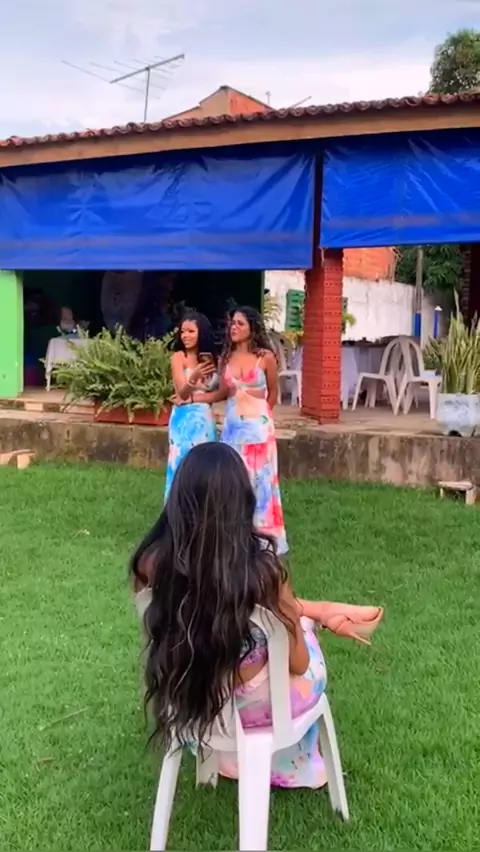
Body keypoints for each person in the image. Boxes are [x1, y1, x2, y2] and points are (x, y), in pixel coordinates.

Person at [131, 442, 383, 789]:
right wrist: (302, 627)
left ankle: (321, 611)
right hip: (254, 710)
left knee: (284, 626)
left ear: (178, 500)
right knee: (299, 646)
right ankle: (291, 766)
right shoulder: (263, 572)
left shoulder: (149, 565)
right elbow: (298, 664)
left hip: (186, 695)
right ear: (241, 502)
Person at [220, 306, 287, 554]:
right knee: (233, 482)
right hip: (231, 431)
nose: (234, 327)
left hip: (258, 432)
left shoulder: (265, 357)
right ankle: (233, 537)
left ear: (252, 328)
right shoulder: (226, 357)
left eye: (240, 323)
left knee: (262, 484)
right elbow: (223, 393)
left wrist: (260, 417)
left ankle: (263, 539)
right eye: (232, 323)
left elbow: (273, 394)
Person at [165, 312, 222, 500]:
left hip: (204, 419)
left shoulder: (213, 359)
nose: (185, 336)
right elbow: (181, 392)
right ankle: (177, 508)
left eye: (191, 331)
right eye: (183, 331)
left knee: (204, 467)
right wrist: (195, 376)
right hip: (184, 420)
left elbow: (221, 393)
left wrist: (196, 398)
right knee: (181, 463)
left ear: (201, 333)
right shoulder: (178, 357)